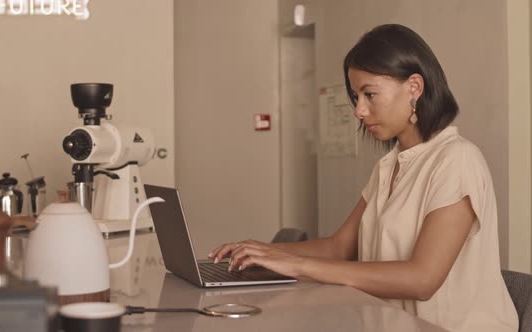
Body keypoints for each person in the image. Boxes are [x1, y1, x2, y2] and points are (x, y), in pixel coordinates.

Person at [208, 24, 518, 332]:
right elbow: (338, 247)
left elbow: (422, 279)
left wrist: (297, 265)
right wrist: (262, 252)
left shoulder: (456, 160)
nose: (359, 110)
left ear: (414, 87)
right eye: (356, 97)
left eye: (369, 94)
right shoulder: (390, 164)